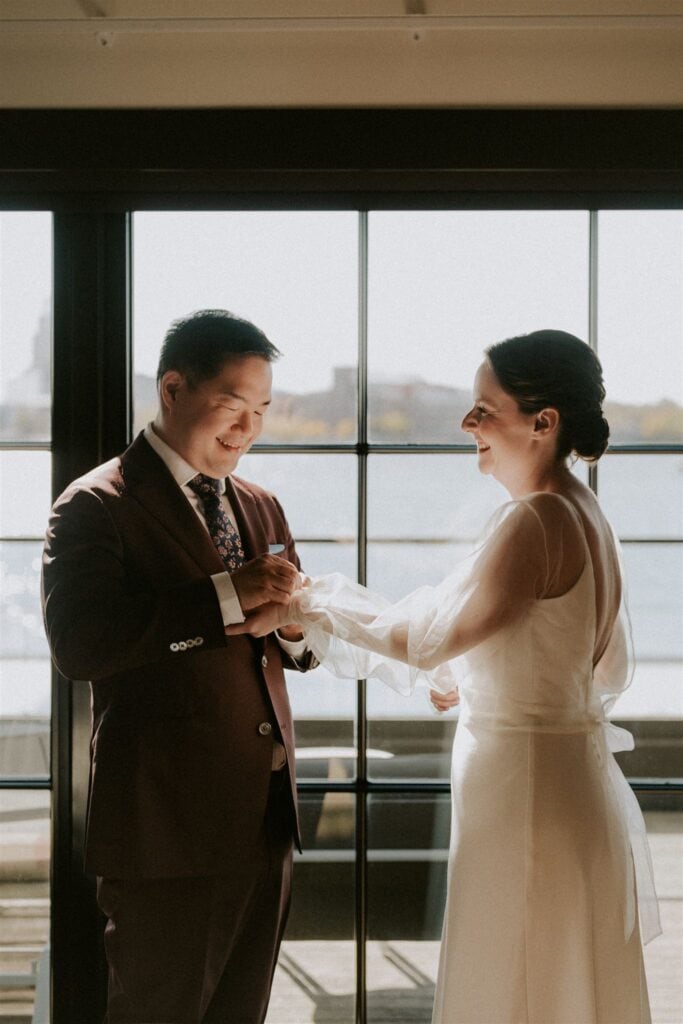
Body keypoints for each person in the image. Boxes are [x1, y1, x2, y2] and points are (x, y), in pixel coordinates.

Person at [229, 329, 661, 1024]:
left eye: (484, 409)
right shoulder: (585, 512)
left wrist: (304, 600)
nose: (468, 424)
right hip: (562, 782)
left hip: (524, 793)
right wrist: (487, 671)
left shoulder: (536, 519)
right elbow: (597, 664)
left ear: (542, 422)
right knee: (553, 980)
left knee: (513, 979)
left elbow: (423, 639)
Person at [42, 309, 316, 1024]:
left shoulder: (261, 505)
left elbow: (295, 649)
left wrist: (294, 626)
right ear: (171, 389)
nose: (246, 428)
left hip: (263, 822)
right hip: (165, 829)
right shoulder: (95, 505)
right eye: (231, 406)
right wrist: (225, 595)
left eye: (261, 411)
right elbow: (83, 646)